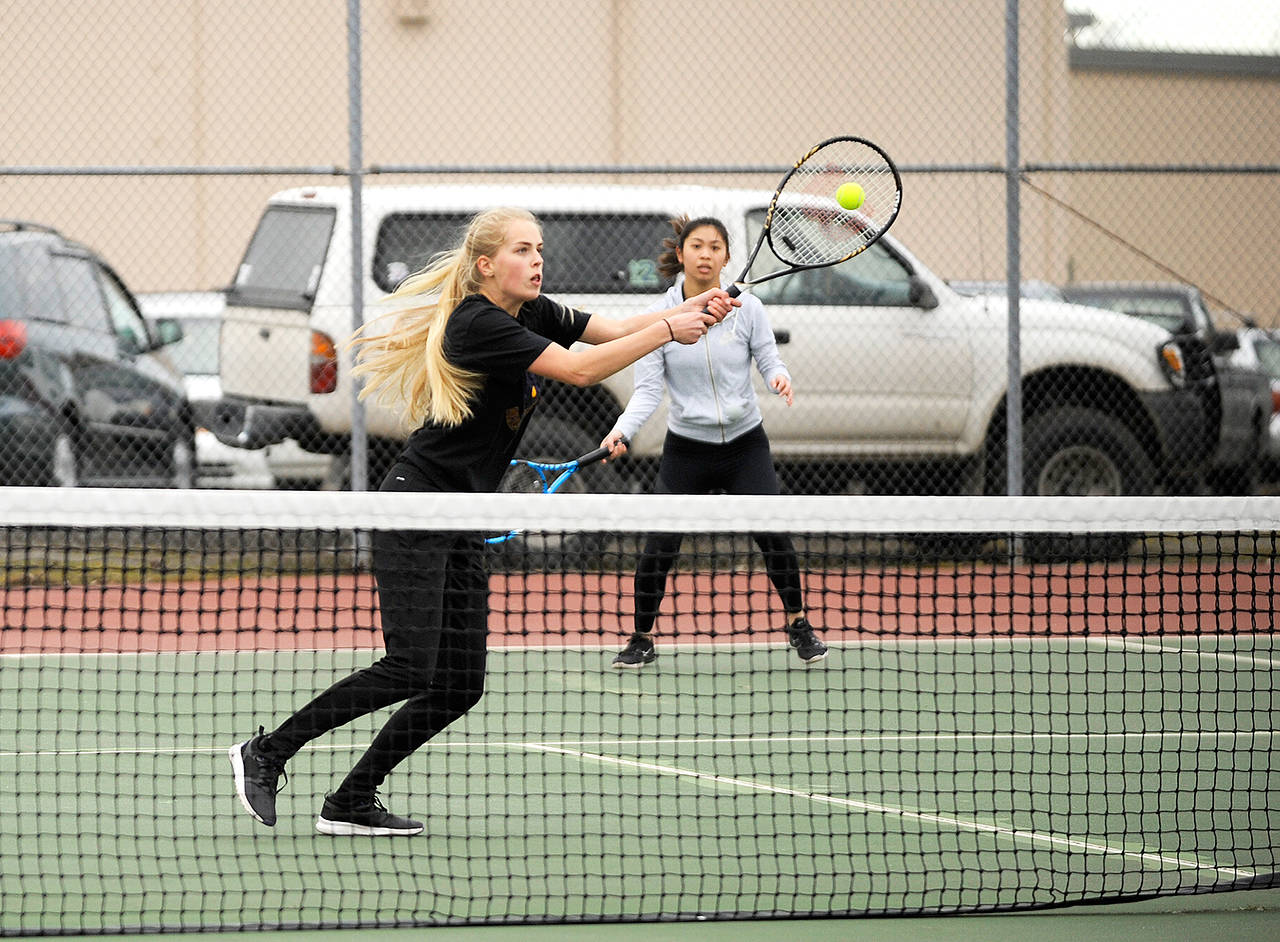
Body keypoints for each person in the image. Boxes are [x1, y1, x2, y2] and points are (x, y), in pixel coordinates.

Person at [228, 207, 736, 836]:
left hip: (464, 513)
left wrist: (683, 314)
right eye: (523, 250)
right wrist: (669, 329)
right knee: (409, 666)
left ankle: (351, 800)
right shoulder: (476, 323)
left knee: (460, 684)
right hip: (417, 507)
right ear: (486, 264)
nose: (537, 259)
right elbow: (581, 370)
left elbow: (614, 332)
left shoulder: (537, 309)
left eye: (540, 248)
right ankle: (267, 751)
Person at [601, 215, 828, 669]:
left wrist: (779, 377)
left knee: (773, 535)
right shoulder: (663, 317)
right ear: (680, 254)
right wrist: (622, 429)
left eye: (715, 247)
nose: (705, 254)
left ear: (726, 257)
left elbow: (767, 358)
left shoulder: (750, 309)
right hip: (687, 450)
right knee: (659, 546)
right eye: (697, 246)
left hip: (746, 444)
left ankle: (799, 623)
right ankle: (641, 637)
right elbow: (648, 390)